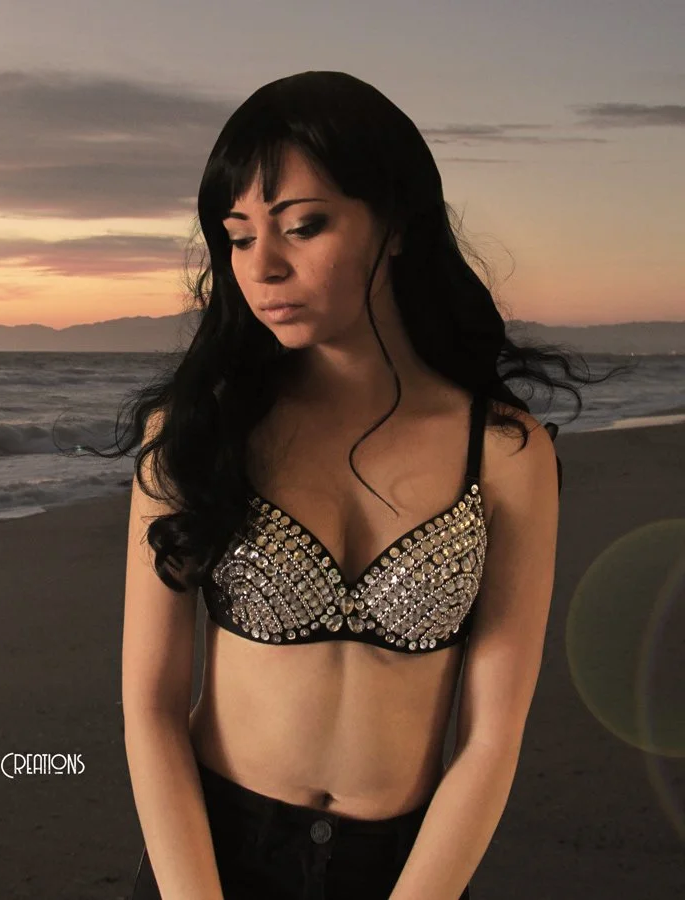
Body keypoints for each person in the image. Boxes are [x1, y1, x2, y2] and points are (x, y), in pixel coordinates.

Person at [71, 71, 631, 900]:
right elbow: (151, 706)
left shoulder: (505, 453)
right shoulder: (196, 433)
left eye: (302, 226)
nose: (261, 266)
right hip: (213, 856)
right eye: (236, 235)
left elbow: (490, 737)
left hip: (409, 869)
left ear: (398, 223)